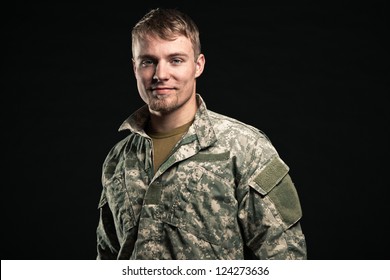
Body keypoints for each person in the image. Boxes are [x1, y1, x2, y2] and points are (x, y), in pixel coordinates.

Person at [96, 7, 307, 260]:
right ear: (135, 68)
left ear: (198, 65)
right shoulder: (118, 160)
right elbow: (107, 257)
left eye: (175, 60)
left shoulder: (245, 148)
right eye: (148, 61)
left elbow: (286, 260)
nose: (160, 75)